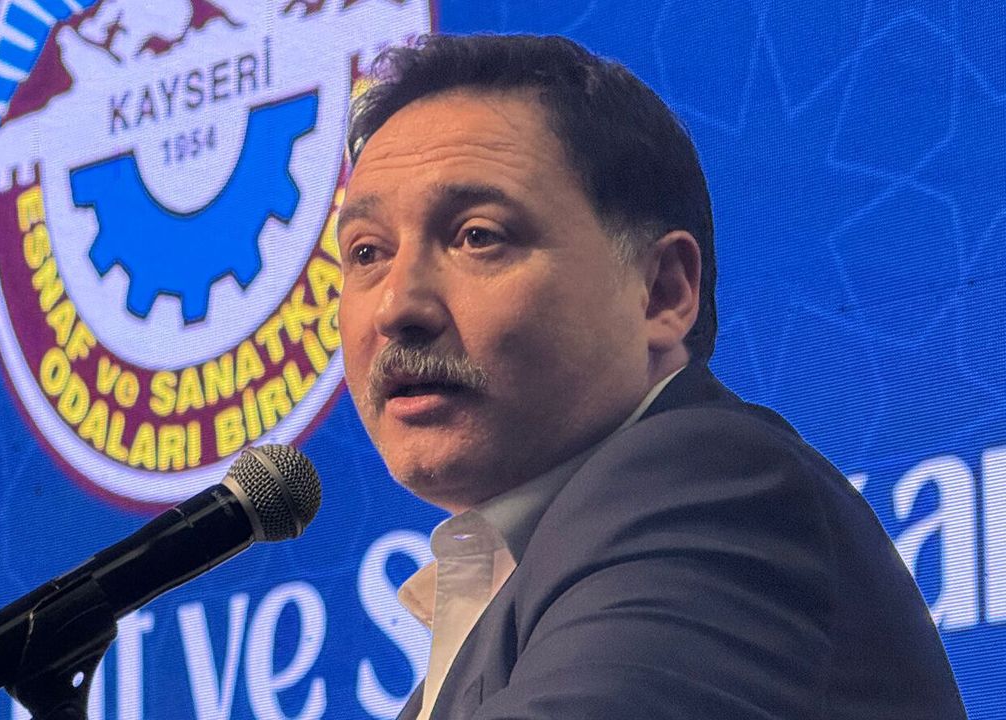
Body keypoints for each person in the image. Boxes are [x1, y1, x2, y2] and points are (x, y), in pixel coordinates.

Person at [335, 33, 966, 719]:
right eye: (367, 253)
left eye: (478, 236)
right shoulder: (512, 602)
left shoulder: (715, 490)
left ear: (663, 291)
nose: (397, 306)